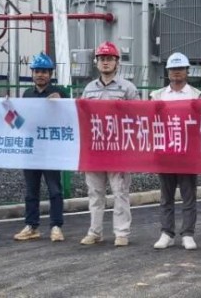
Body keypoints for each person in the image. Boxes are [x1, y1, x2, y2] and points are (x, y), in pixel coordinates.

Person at [80, 41, 139, 247]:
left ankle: (121, 233)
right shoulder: (89, 89)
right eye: (102, 59)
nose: (105, 62)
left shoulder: (128, 88)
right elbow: (82, 118)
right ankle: (95, 232)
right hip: (95, 149)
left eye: (109, 59)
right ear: (96, 62)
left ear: (117, 62)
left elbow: (138, 118)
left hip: (118, 149)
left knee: (120, 192)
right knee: (95, 193)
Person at [13, 53, 70, 243]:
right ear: (32, 73)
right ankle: (31, 225)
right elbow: (20, 121)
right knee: (31, 190)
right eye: (37, 71)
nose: (40, 75)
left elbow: (70, 110)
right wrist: (6, 107)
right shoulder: (27, 94)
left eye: (44, 71)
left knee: (54, 189)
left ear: (50, 74)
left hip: (51, 150)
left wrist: (60, 99)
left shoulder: (59, 92)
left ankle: (56, 226)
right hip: (31, 149)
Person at [150, 52, 201, 251]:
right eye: (173, 69)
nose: (176, 72)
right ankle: (167, 233)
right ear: (168, 72)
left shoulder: (197, 95)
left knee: (189, 196)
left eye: (180, 69)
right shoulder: (157, 96)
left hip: (188, 153)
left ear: (187, 71)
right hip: (165, 152)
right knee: (166, 196)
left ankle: (188, 234)